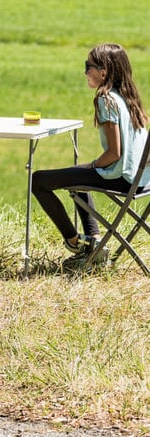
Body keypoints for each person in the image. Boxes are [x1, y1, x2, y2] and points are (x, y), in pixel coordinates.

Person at [31, 43, 149, 269]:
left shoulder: (106, 99)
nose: (85, 72)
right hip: (141, 181)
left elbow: (114, 153)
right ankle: (94, 242)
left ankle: (74, 242)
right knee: (78, 177)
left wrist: (93, 166)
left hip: (121, 178)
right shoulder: (129, 99)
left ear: (103, 71)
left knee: (39, 180)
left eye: (88, 66)